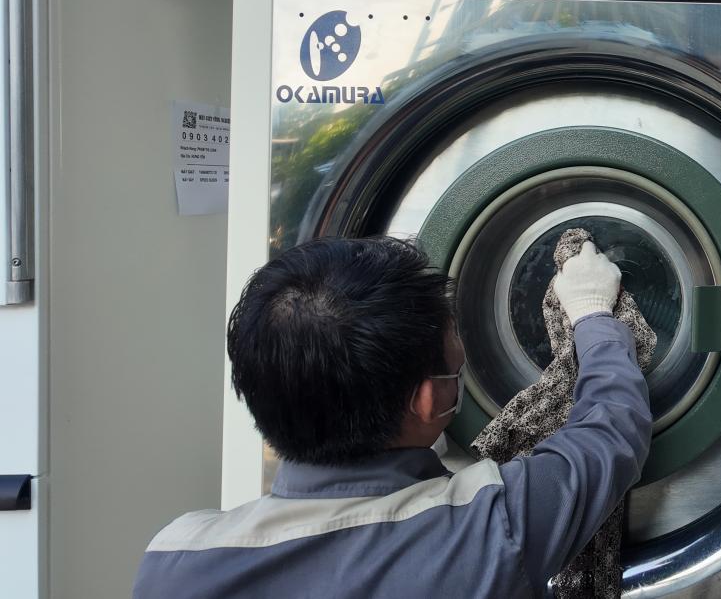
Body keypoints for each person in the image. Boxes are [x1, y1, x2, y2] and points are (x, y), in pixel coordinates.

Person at [134, 236, 651, 598]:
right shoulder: (488, 532)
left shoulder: (173, 560)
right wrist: (591, 311)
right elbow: (610, 431)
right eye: (456, 353)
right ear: (428, 401)